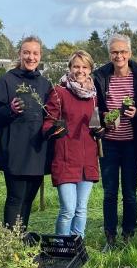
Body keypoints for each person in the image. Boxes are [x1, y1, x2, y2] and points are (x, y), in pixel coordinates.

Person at [0, 36, 52, 230]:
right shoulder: (7, 81)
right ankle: (9, 242)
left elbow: (51, 114)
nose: (30, 57)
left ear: (40, 56)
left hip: (38, 151)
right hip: (14, 149)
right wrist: (10, 110)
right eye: (26, 52)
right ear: (20, 54)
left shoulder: (45, 84)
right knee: (16, 197)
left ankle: (20, 239)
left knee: (28, 199)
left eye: (35, 53)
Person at [92, 34, 137, 251]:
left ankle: (128, 233)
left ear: (130, 53)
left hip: (132, 143)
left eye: (123, 52)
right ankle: (109, 235)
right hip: (108, 142)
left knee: (130, 191)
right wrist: (105, 117)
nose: (119, 56)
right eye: (115, 52)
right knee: (109, 192)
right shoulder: (101, 76)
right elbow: (95, 107)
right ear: (110, 54)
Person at [42, 50, 100, 237]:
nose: (80, 70)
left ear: (90, 69)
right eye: (76, 66)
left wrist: (101, 129)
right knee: (68, 209)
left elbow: (96, 123)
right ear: (70, 68)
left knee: (81, 209)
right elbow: (48, 122)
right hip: (65, 158)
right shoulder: (59, 92)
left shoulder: (93, 95)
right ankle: (61, 247)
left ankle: (77, 246)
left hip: (87, 159)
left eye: (84, 67)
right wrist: (53, 130)